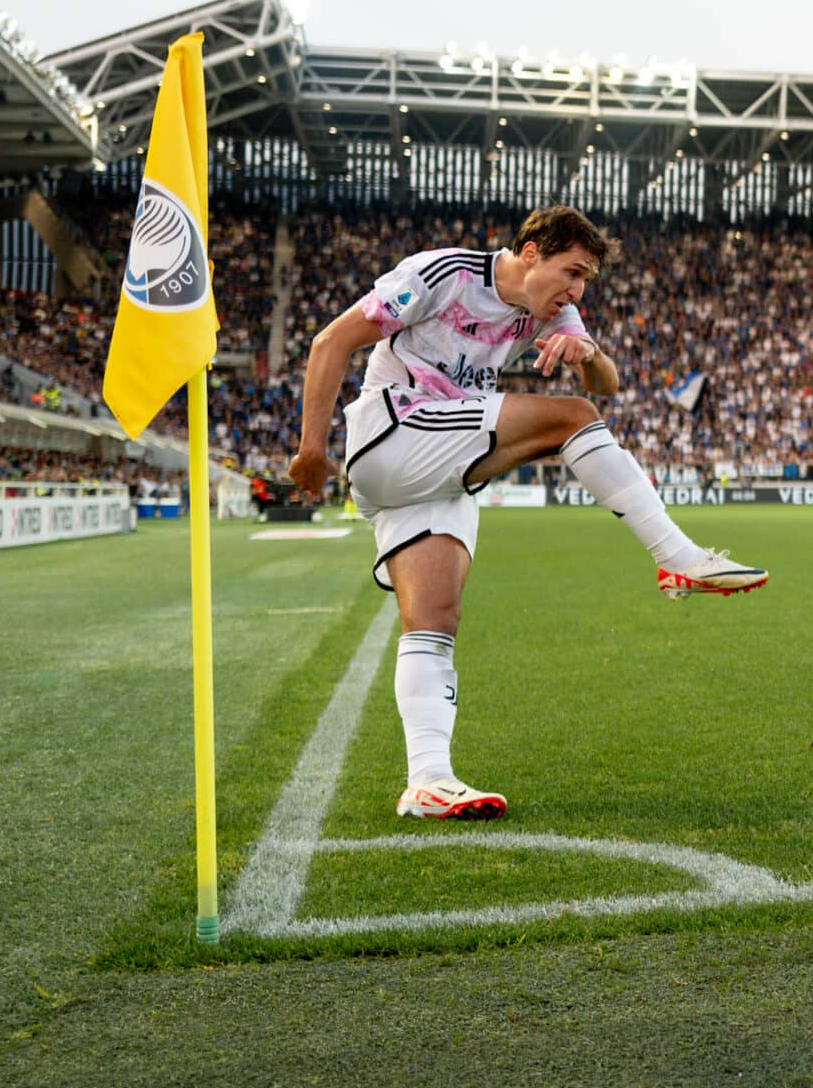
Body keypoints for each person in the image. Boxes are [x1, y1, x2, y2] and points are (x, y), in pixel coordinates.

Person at [288, 204, 766, 823]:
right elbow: (333, 340)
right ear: (532, 251)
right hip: (394, 431)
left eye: (587, 281)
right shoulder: (444, 274)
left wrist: (585, 351)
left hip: (437, 469)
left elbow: (608, 383)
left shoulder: (552, 310)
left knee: (434, 618)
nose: (577, 290)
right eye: (572, 273)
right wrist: (310, 448)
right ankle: (675, 556)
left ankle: (428, 780)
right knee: (569, 419)